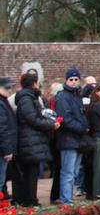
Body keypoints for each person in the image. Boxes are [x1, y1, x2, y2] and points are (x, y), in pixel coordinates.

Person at [13, 71, 60, 206]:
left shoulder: (28, 98)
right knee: (31, 173)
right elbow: (32, 119)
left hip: (31, 140)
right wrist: (50, 124)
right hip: (29, 140)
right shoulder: (26, 99)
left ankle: (30, 199)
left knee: (31, 172)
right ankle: (30, 200)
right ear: (34, 84)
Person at [55, 67, 89, 204]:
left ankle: (68, 197)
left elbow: (80, 115)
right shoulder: (63, 96)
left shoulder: (77, 96)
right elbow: (65, 119)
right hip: (68, 138)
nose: (74, 82)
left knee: (74, 172)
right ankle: (66, 199)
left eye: (76, 79)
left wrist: (84, 127)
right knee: (68, 172)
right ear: (66, 80)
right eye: (71, 79)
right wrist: (82, 128)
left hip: (77, 139)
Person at [0, 77, 17, 197]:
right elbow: (2, 129)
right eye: (7, 88)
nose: (10, 90)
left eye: (10, 87)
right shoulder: (1, 103)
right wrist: (7, 150)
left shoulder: (3, 101)